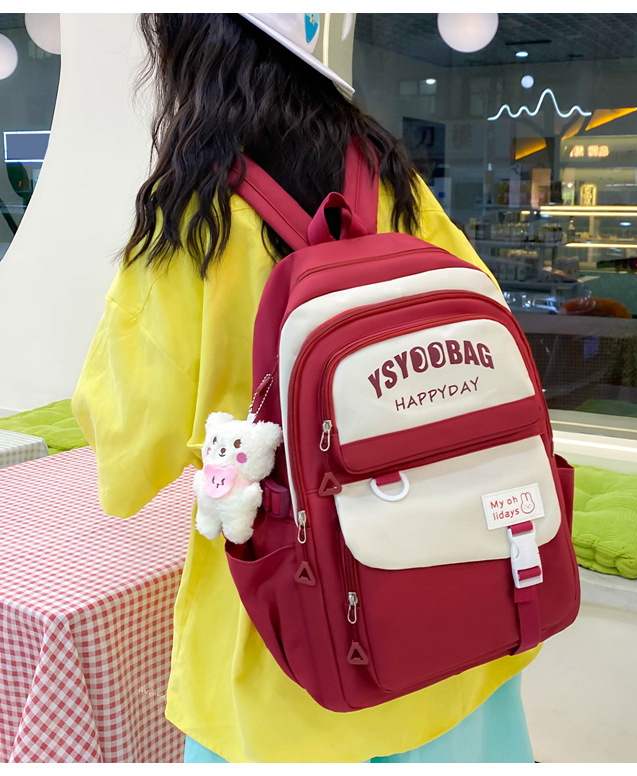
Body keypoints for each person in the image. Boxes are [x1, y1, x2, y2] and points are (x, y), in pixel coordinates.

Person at [72, 13, 539, 763]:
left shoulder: (192, 220)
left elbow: (125, 456)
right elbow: (485, 336)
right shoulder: (392, 178)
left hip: (290, 654)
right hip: (450, 608)